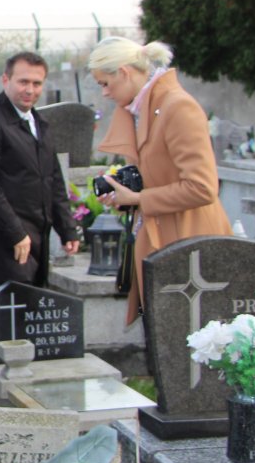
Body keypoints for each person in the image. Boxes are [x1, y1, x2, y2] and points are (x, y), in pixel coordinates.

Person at [0, 52, 81, 406]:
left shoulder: (39, 123)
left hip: (37, 235)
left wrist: (68, 229)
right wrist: (15, 233)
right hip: (5, 236)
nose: (30, 89)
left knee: (19, 311)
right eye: (23, 81)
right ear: (5, 81)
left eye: (37, 83)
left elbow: (52, 180)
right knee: (12, 309)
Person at [89, 37, 231, 323]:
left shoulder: (177, 107)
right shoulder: (145, 108)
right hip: (163, 243)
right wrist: (127, 198)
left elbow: (203, 187)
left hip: (189, 244)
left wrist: (141, 199)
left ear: (125, 73)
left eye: (105, 83)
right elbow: (159, 176)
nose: (104, 93)